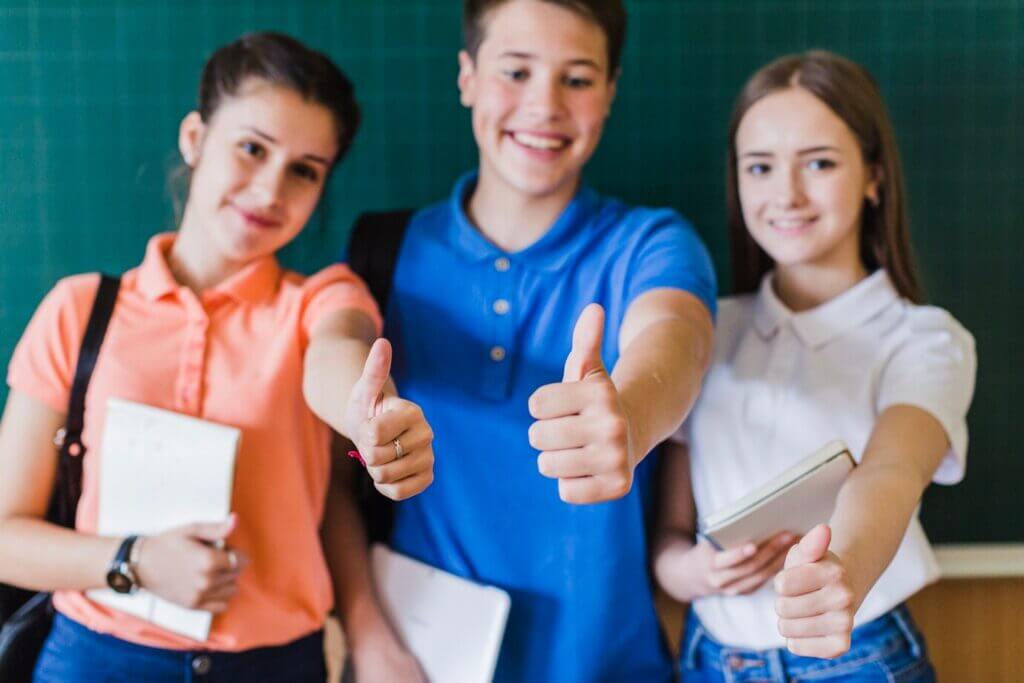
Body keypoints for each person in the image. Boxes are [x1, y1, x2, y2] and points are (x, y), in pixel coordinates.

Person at [0, 31, 433, 682]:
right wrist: (133, 558)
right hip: (95, 654)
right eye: (252, 148)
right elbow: (5, 534)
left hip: (276, 663)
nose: (269, 189)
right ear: (196, 139)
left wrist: (365, 410)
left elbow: (336, 352)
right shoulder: (79, 309)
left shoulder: (319, 298)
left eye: (305, 170)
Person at [336, 1, 717, 681]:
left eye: (577, 78)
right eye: (516, 71)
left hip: (610, 666)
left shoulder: (650, 244)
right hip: (423, 665)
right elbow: (332, 482)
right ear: (467, 78)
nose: (544, 105)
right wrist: (366, 635)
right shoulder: (386, 252)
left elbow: (675, 338)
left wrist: (629, 414)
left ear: (610, 92)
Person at [653, 50, 976, 682]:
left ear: (874, 176)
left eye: (820, 163)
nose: (787, 195)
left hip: (857, 657)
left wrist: (844, 570)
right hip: (709, 657)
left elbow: (891, 470)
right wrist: (684, 571)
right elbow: (670, 529)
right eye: (760, 168)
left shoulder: (924, 340)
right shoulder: (707, 328)